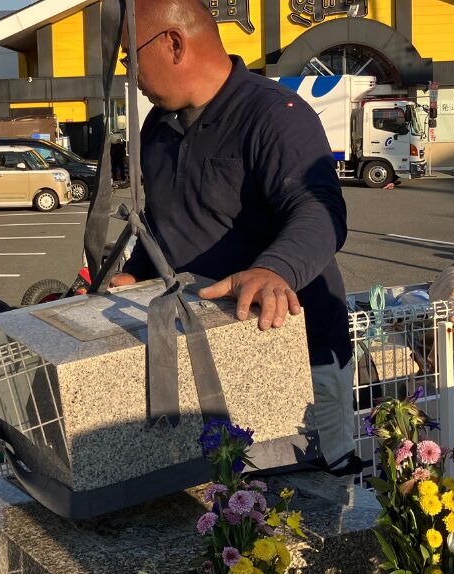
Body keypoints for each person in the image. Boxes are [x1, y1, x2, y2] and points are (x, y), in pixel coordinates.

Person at [109, 0, 358, 474]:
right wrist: (136, 273)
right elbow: (162, 223)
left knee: (306, 499)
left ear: (173, 44)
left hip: (292, 355)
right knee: (221, 501)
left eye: (130, 57)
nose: (129, 74)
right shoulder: (157, 128)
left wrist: (273, 270)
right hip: (205, 361)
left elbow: (320, 210)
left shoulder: (275, 114)